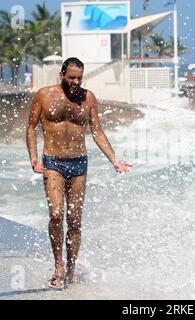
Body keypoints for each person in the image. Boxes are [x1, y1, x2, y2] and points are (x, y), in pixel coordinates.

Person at [26, 57, 132, 290]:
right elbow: (31, 128)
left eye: (79, 78)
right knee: (56, 214)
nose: (75, 82)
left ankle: (71, 268)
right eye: (71, 77)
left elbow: (97, 132)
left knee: (74, 220)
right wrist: (33, 158)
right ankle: (58, 267)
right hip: (53, 162)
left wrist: (115, 161)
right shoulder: (44, 95)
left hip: (79, 164)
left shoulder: (89, 98)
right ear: (62, 74)